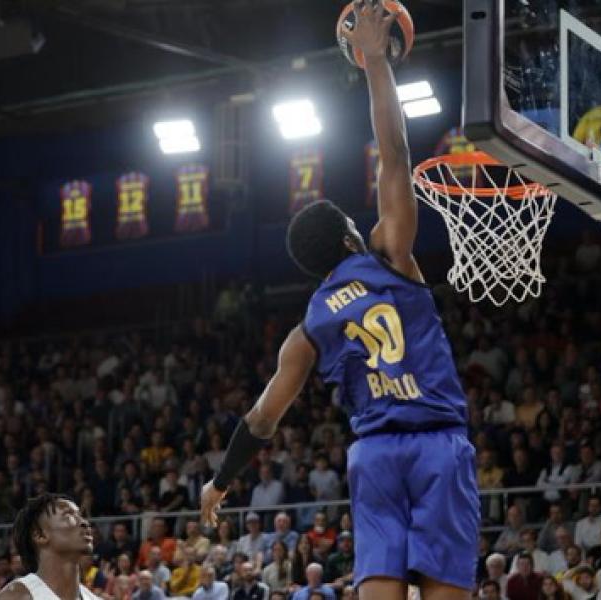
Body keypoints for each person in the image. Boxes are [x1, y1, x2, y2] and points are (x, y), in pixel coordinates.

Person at [199, 6, 480, 600]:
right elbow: (395, 154)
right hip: (437, 445)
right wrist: (376, 62)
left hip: (373, 455)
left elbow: (260, 420)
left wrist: (220, 483)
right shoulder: (389, 256)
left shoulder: (306, 329)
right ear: (352, 236)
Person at [0, 494, 98, 600]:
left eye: (80, 515)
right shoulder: (18, 596)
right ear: (40, 536)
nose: (84, 522)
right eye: (68, 515)